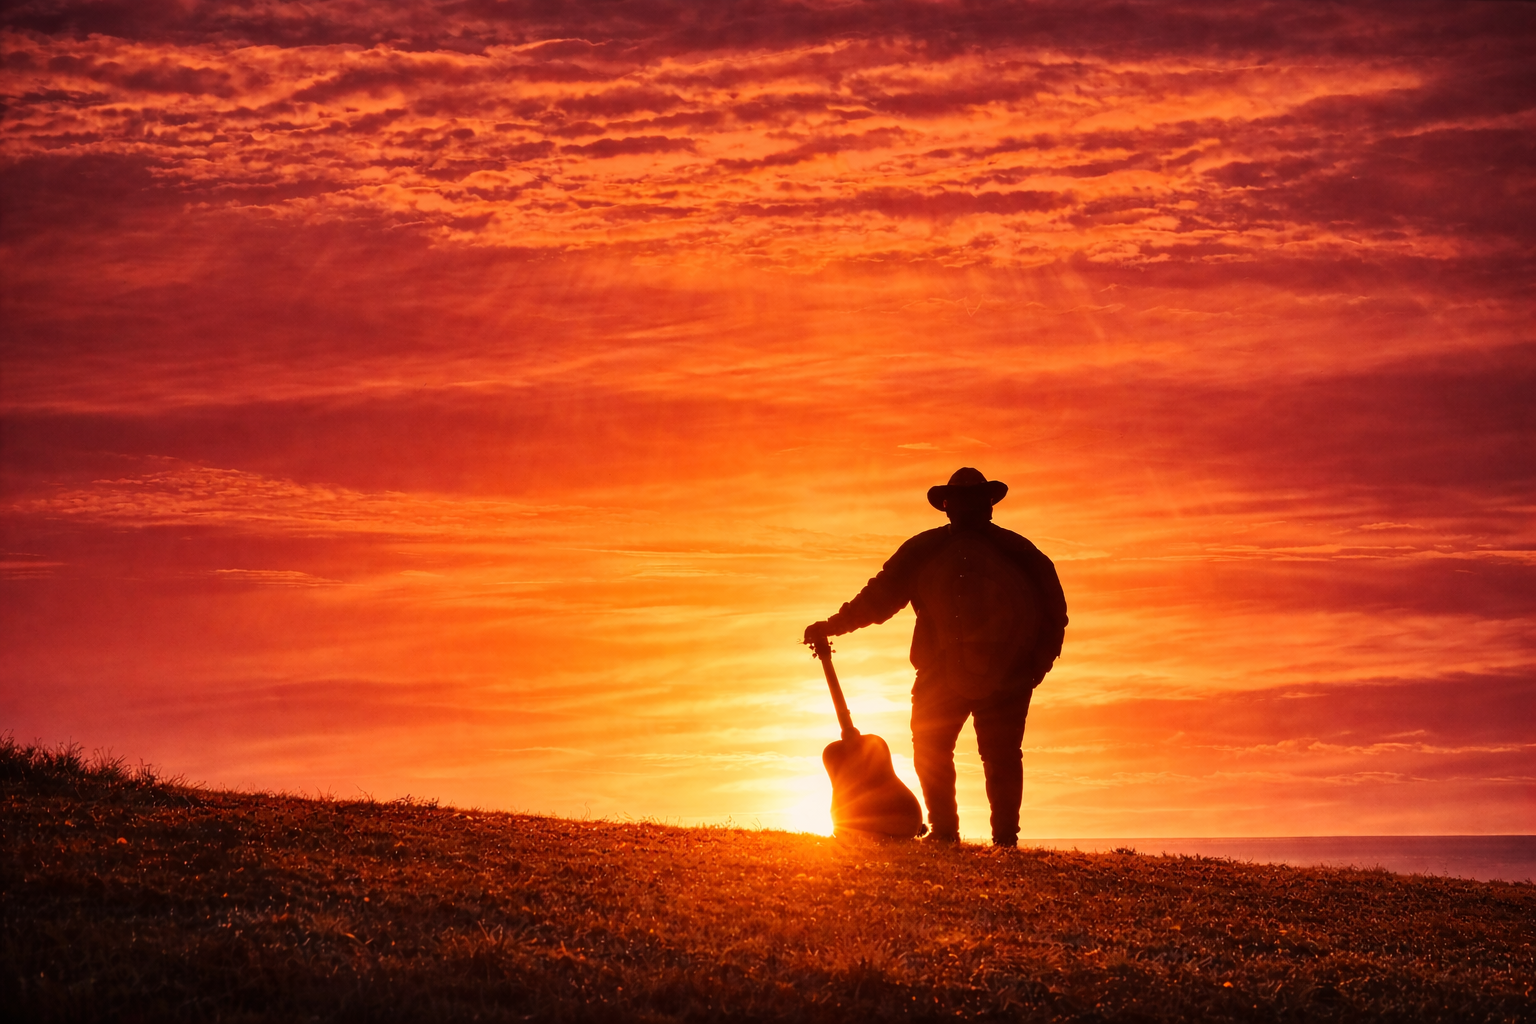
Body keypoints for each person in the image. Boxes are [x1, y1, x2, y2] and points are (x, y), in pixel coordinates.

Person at [804, 467, 1067, 847]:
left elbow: (1052, 613)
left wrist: (1034, 667)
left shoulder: (1021, 553)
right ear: (946, 506)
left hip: (1009, 674)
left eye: (977, 501)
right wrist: (835, 624)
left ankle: (1004, 839)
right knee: (931, 748)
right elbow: (879, 597)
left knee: (1001, 756)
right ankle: (944, 831)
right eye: (960, 501)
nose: (969, 509)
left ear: (990, 505)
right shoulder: (922, 551)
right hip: (939, 671)